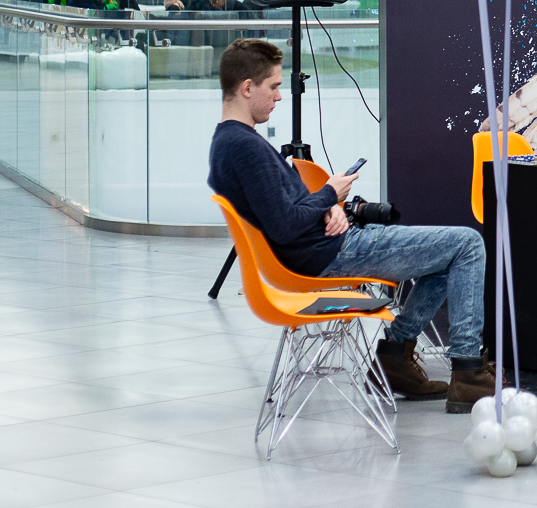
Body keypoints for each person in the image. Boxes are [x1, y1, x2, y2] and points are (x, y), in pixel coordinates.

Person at [208, 38, 493, 412]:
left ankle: (395, 358)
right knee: (468, 244)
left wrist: (329, 205)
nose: (279, 96)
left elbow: (285, 210)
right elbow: (285, 225)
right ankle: (467, 372)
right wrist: (330, 193)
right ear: (247, 88)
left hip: (326, 246)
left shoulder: (229, 142)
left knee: (450, 254)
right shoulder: (244, 147)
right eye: (273, 86)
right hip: (330, 254)